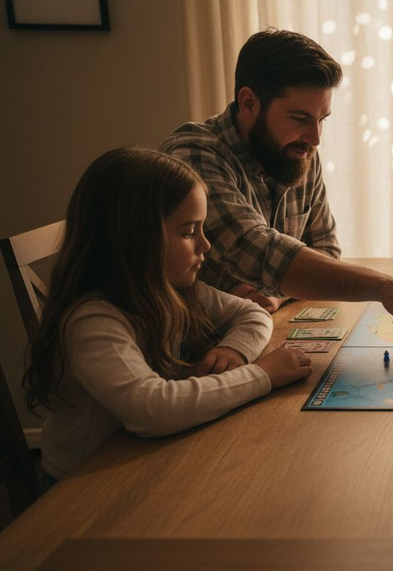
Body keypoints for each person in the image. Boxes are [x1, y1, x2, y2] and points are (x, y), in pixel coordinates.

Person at [23, 148, 313, 483]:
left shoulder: (172, 288)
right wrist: (263, 374)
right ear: (134, 238)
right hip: (86, 485)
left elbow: (252, 313)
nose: (205, 245)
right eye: (189, 232)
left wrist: (236, 349)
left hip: (144, 457)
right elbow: (152, 410)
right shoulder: (92, 320)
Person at [160, 28, 393, 342]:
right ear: (249, 103)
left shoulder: (298, 149)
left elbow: (325, 250)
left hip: (259, 329)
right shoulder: (193, 155)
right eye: (300, 118)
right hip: (192, 345)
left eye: (322, 119)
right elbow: (258, 252)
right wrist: (386, 287)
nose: (316, 137)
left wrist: (279, 294)